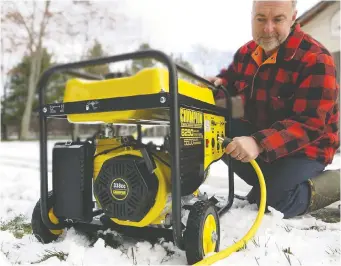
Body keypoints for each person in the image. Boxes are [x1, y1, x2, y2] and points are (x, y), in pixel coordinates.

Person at [207, 0, 340, 219]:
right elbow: (230, 88)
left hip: (306, 150)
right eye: (261, 19)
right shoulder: (246, 53)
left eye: (278, 19)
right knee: (209, 123)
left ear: (293, 17)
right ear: (252, 17)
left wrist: (259, 142)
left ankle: (336, 182)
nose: (268, 29)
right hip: (261, 142)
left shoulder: (316, 59)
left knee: (273, 203)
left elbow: (310, 124)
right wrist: (215, 87)